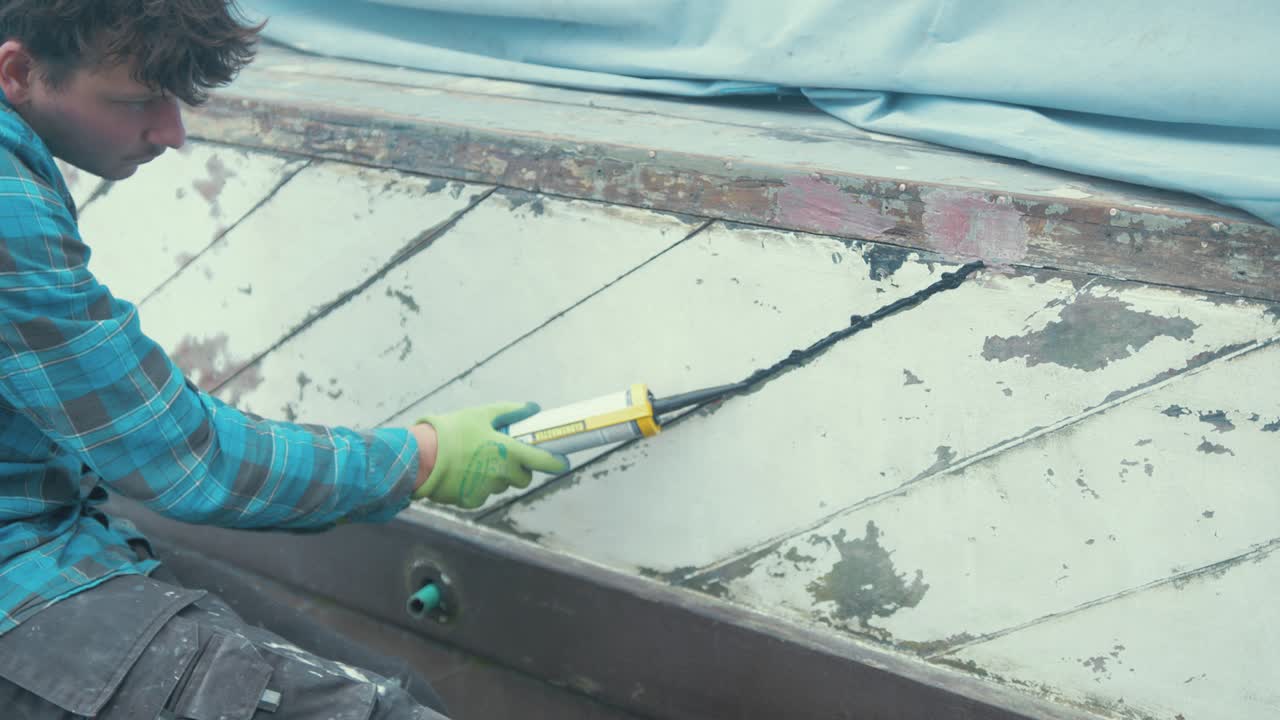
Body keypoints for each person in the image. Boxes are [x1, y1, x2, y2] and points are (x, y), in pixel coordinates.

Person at [0, 2, 568, 718]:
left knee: (397, 690)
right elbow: (182, 459)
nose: (170, 133)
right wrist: (419, 458)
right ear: (18, 72)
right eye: (140, 100)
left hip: (52, 530)